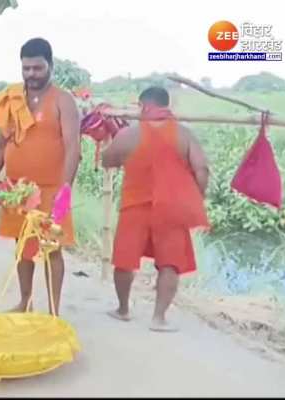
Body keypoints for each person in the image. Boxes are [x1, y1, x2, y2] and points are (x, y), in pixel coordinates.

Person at [102, 86, 210, 332]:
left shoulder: (130, 134)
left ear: (143, 106)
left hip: (135, 207)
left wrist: (116, 139)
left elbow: (107, 160)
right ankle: (158, 319)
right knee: (170, 264)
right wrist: (195, 198)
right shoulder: (184, 134)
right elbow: (202, 169)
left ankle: (123, 309)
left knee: (124, 261)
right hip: (172, 208)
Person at [0, 38, 81, 316]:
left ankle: (54, 312)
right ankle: (24, 301)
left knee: (52, 248)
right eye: (26, 68)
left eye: (37, 68)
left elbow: (73, 146)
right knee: (22, 245)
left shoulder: (63, 100)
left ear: (50, 66)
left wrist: (65, 191)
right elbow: (1, 143)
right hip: (17, 190)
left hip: (52, 188)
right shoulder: (12, 99)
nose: (31, 74)